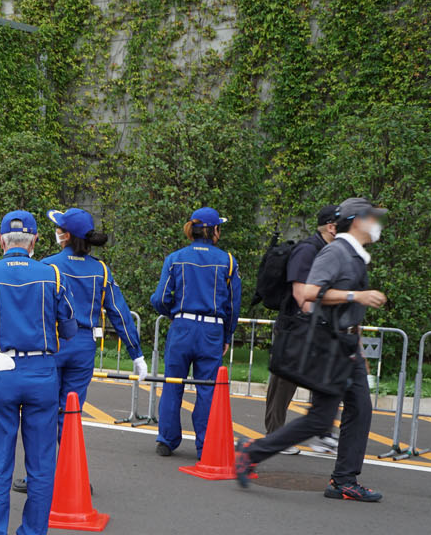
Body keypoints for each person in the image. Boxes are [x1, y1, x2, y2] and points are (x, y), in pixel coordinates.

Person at [235, 198, 388, 502]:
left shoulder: (356, 256)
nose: (377, 224)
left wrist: (359, 348)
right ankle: (251, 453)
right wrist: (357, 295)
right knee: (320, 419)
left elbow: (347, 312)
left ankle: (344, 480)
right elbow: (308, 292)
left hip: (348, 346)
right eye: (372, 217)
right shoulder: (336, 252)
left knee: (360, 409)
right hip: (330, 347)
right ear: (356, 220)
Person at [0, 210, 75, 535]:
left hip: (3, 369)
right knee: (41, 462)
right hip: (42, 370)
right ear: (35, 240)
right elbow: (69, 328)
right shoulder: (52, 275)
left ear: (0, 240)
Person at [11, 208, 147, 493]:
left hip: (53, 344)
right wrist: (136, 353)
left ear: (67, 235)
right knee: (71, 413)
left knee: (43, 412)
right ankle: (75, 477)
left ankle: (39, 477)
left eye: (59, 228)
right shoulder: (101, 270)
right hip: (84, 346)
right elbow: (120, 313)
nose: (56, 231)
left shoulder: (48, 266)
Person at [149, 207, 242, 458]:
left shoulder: (175, 258)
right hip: (212, 330)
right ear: (215, 230)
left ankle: (166, 440)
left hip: (182, 327)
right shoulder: (228, 261)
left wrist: (174, 313)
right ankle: (205, 445)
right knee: (207, 389)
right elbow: (233, 305)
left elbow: (159, 298)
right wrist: (227, 334)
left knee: (172, 384)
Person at [262, 205, 340, 453]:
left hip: (317, 326)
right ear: (331, 227)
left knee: (327, 378)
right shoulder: (307, 250)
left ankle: (322, 433)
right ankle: (275, 435)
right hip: (295, 327)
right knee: (284, 383)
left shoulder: (330, 251)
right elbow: (300, 294)